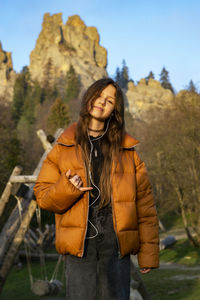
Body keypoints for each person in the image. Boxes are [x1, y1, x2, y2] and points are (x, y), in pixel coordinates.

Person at [34, 78, 159, 300]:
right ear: (89, 97)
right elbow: (43, 197)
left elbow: (145, 206)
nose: (102, 102)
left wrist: (148, 254)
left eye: (109, 100)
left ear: (115, 111)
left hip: (116, 246)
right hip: (79, 247)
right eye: (99, 95)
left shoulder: (128, 152)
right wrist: (68, 188)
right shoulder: (62, 148)